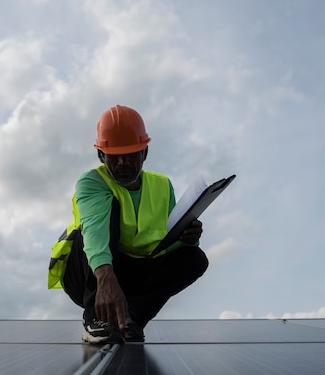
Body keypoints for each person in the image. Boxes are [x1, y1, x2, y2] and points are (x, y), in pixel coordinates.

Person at [48, 105, 208, 344]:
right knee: (104, 218)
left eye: (131, 153)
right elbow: (94, 234)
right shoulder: (91, 183)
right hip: (85, 272)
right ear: (101, 156)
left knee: (195, 259)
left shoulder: (163, 186)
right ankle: (95, 319)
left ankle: (131, 319)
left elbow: (165, 245)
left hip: (130, 271)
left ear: (145, 152)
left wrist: (189, 236)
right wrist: (105, 279)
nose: (123, 162)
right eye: (114, 155)